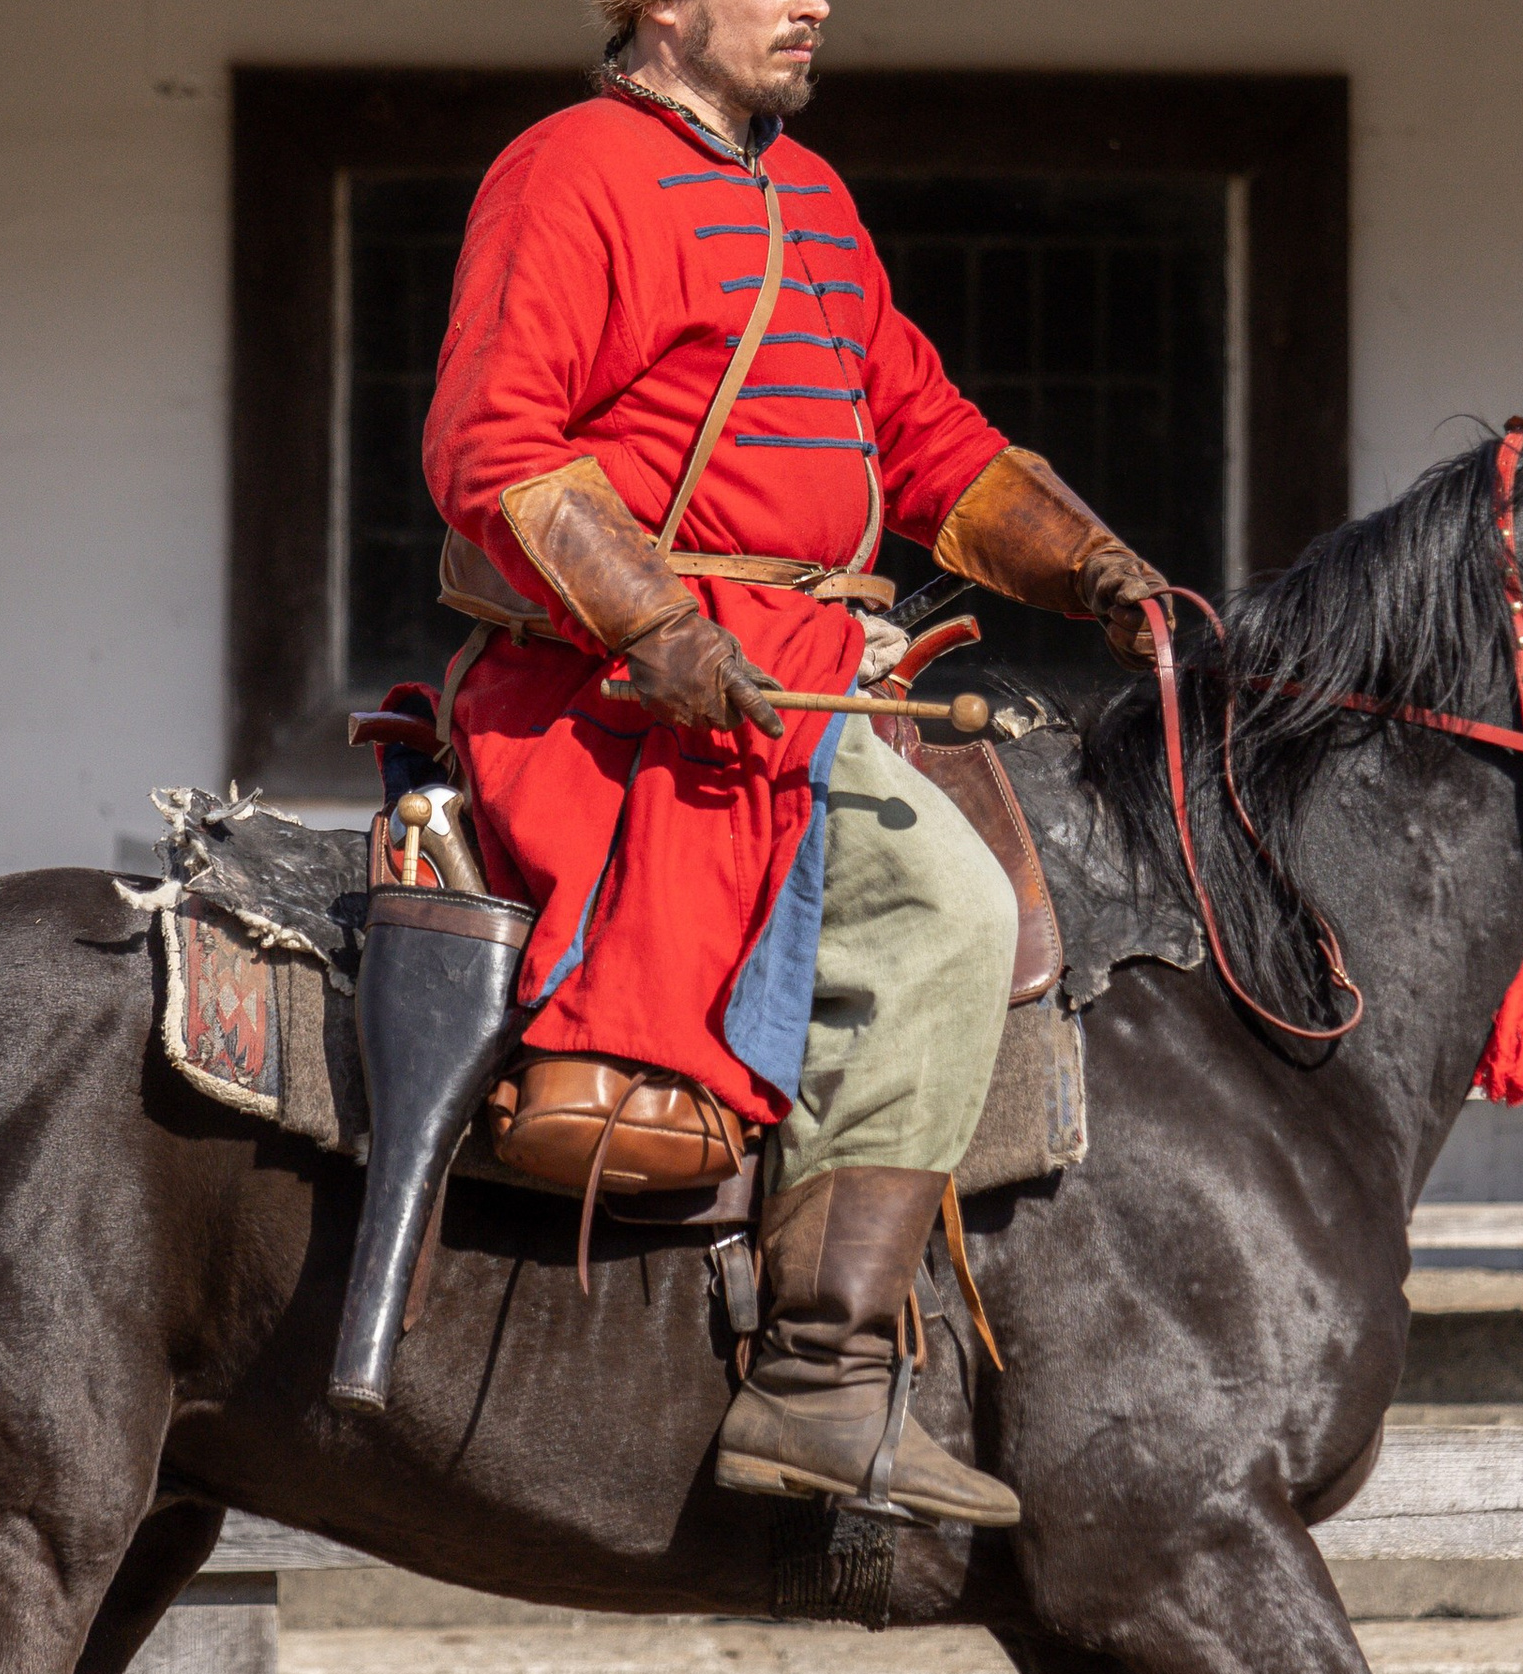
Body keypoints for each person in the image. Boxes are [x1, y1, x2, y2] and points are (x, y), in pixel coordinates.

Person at [408, 0, 1166, 1528]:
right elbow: (490, 443)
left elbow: (925, 433)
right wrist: (656, 622)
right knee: (947, 914)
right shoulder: (565, 171)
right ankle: (819, 1378)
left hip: (817, 669)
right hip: (641, 693)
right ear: (663, 7)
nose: (813, 5)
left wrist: (1086, 561)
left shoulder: (810, 194)